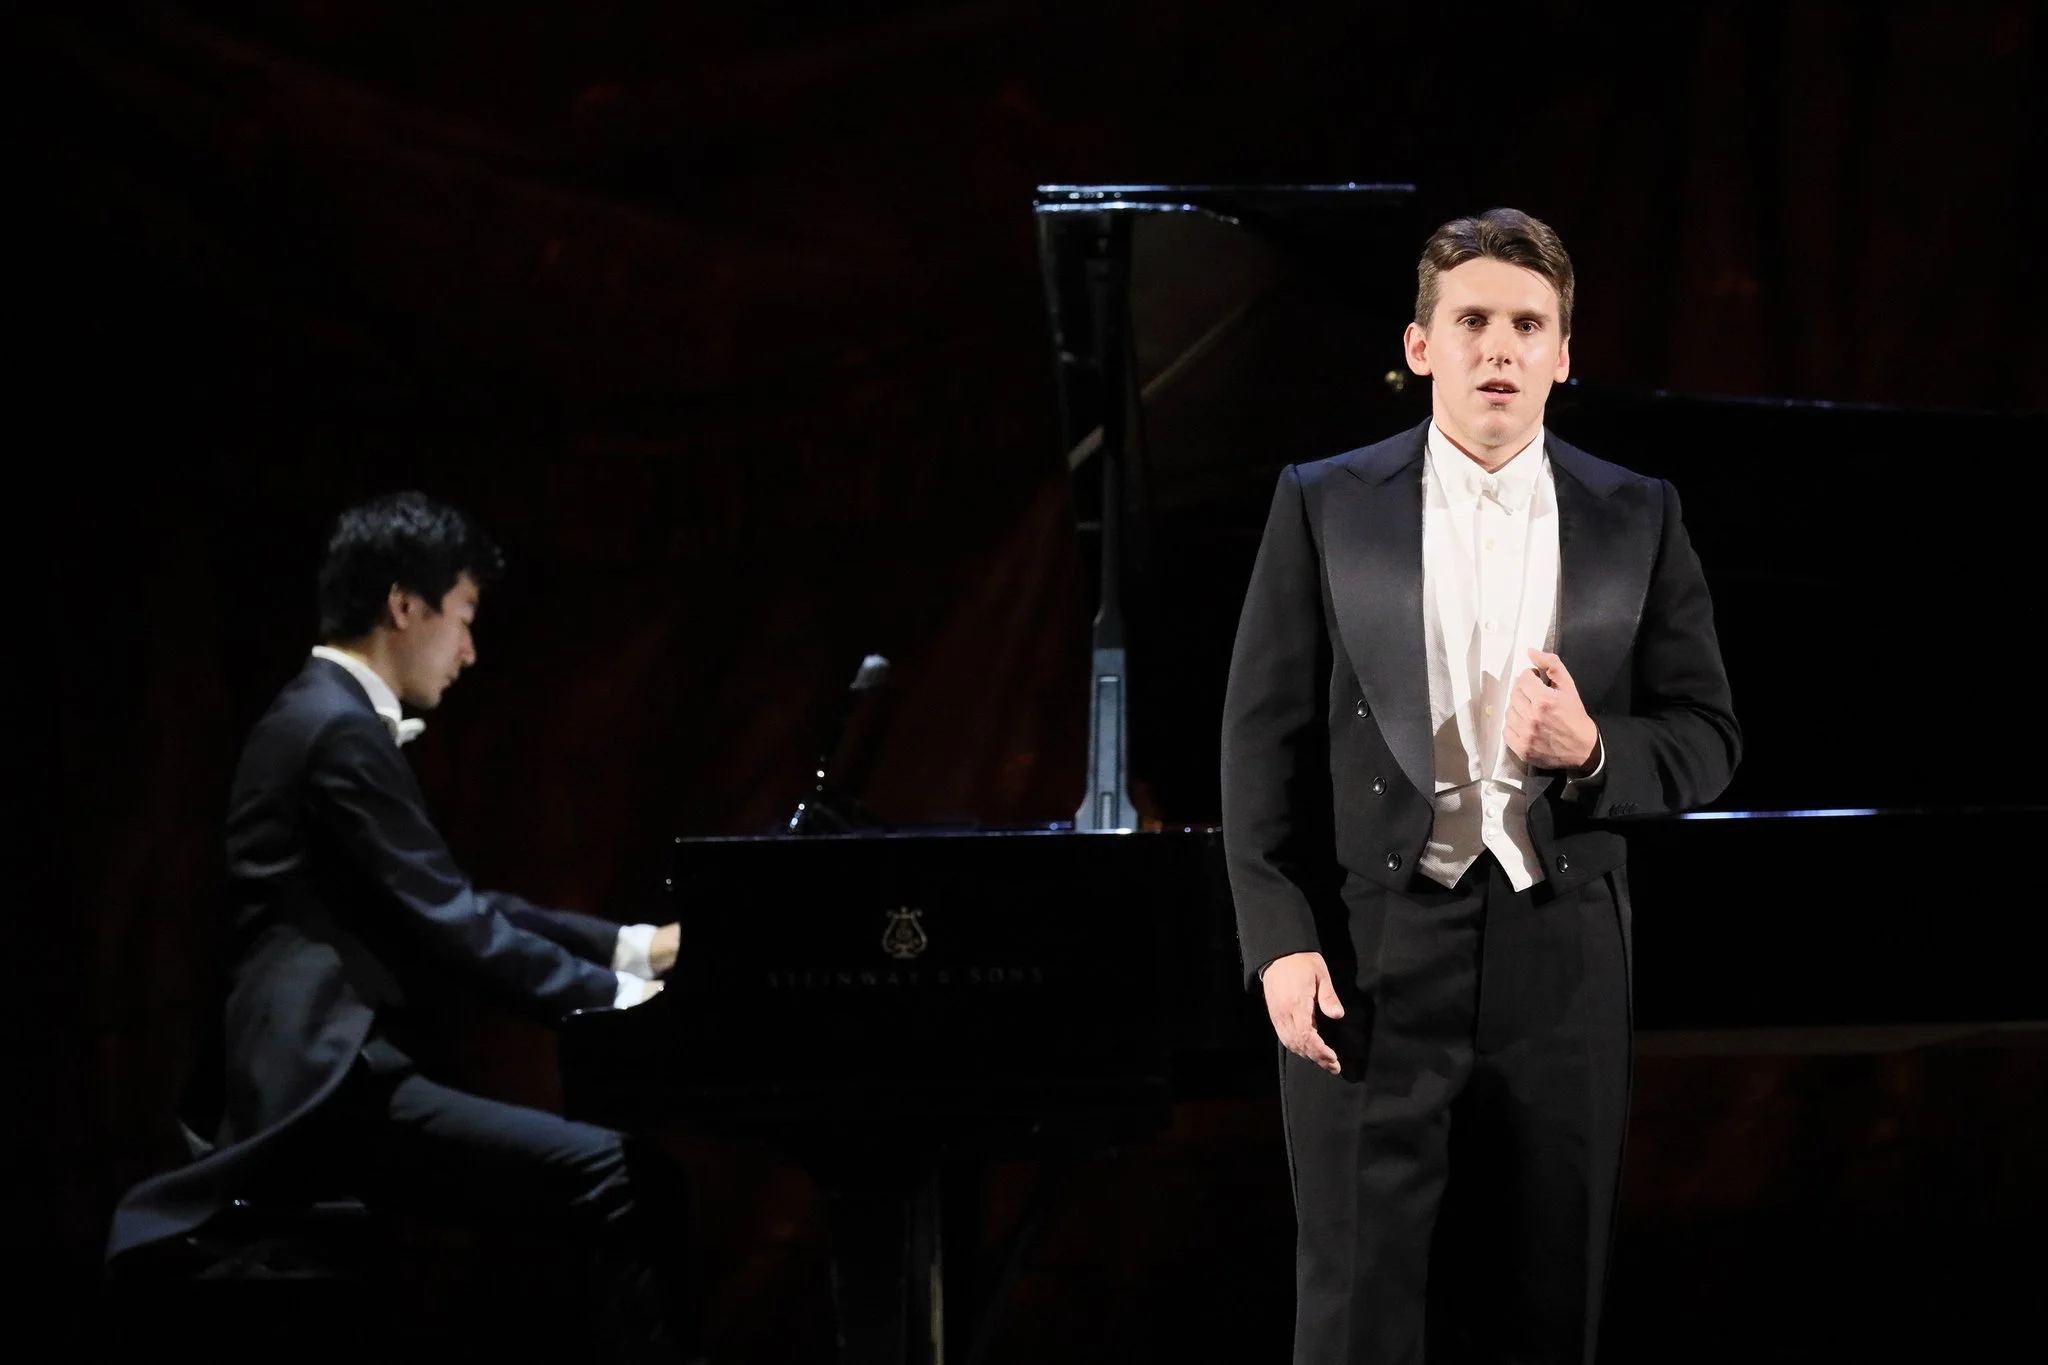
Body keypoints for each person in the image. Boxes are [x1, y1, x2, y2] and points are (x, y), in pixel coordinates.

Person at [1222, 208, 1740, 1364]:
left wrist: (1592, 750)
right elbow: (1257, 742)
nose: (1497, 347)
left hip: (1561, 957)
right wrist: (1278, 939)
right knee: (1356, 1312)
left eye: (1525, 324)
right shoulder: (1321, 501)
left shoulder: (1637, 514)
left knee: (1549, 1307)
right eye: (1471, 321)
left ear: (1562, 353)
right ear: (1420, 347)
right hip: (1369, 951)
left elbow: (1708, 736)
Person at [108, 491, 702, 1361]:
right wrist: (629, 1004)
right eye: (463, 615)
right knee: (628, 1178)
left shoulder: (320, 716)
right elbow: (455, 923)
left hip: (331, 1078)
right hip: (319, 1092)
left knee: (618, 1180)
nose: (469, 648)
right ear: (403, 605)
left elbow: (455, 901)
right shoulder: (336, 731)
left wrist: (631, 944)